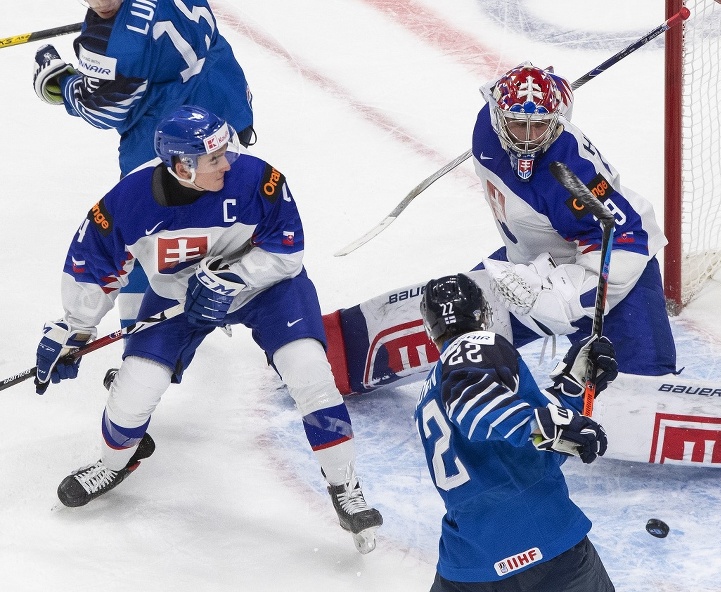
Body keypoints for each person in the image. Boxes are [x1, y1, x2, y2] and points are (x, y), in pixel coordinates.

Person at [33, 105, 383, 554]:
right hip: (179, 298)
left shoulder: (258, 179)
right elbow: (95, 266)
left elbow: (287, 249)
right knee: (134, 391)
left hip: (269, 288)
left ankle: (344, 485)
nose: (228, 162)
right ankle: (115, 462)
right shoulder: (127, 201)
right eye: (214, 158)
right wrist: (75, 330)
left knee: (311, 372)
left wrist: (232, 278)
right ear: (182, 166)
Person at [416, 273, 618, 591]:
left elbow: (521, 445)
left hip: (469, 566)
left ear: (430, 330)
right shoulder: (476, 345)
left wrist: (573, 385)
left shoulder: (430, 389)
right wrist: (547, 424)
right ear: (485, 314)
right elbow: (474, 406)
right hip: (544, 544)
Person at [474, 62, 676, 376]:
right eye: (517, 124)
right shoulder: (486, 123)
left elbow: (626, 242)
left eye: (539, 126)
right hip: (533, 255)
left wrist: (556, 303)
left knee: (638, 385)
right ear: (498, 115)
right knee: (459, 324)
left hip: (614, 263)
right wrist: (540, 78)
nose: (527, 139)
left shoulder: (572, 175)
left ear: (557, 121)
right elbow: (502, 87)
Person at [31, 0, 254, 177]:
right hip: (231, 110)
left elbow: (103, 111)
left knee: (143, 227)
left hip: (171, 157)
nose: (103, 2)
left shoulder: (109, 44)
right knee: (234, 212)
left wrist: (60, 83)